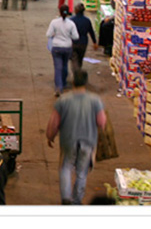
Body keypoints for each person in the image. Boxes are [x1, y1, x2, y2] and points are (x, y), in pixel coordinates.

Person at [46, 70, 107, 205]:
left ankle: (66, 199)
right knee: (81, 172)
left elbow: (54, 122)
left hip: (68, 140)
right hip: (88, 141)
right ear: (86, 83)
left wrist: (50, 136)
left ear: (73, 82)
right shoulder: (95, 100)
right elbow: (102, 122)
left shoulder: (63, 100)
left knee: (66, 168)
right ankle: (77, 200)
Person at [46, 5, 80, 96]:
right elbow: (76, 36)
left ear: (59, 12)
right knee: (64, 65)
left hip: (56, 47)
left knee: (57, 67)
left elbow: (48, 34)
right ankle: (64, 82)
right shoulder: (71, 24)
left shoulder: (54, 22)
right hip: (67, 47)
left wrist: (54, 34)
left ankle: (58, 87)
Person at [70, 3, 98, 75]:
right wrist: (94, 42)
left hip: (73, 42)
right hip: (83, 42)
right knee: (80, 58)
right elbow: (91, 32)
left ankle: (77, 71)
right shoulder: (87, 20)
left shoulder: (71, 20)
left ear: (76, 11)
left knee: (74, 58)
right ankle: (78, 70)